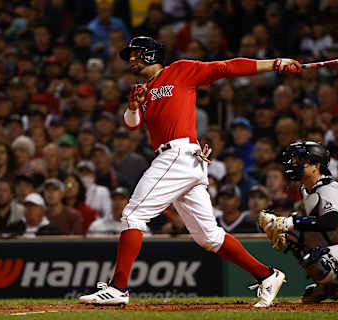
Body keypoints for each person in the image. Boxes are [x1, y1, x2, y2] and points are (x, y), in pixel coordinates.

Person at [79, 35, 302, 307]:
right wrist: (134, 106)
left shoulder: (180, 70)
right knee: (208, 237)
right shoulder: (144, 88)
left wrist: (274, 64)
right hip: (183, 160)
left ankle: (118, 288)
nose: (132, 60)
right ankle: (267, 274)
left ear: (151, 55)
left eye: (136, 54)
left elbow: (226, 67)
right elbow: (132, 124)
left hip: (179, 154)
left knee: (133, 214)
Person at [259, 141, 338, 303]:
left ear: (316, 166)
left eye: (300, 161)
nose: (294, 164)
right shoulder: (306, 188)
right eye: (294, 160)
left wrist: (290, 222)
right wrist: (281, 225)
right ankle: (331, 286)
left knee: (318, 258)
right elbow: (317, 224)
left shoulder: (327, 188)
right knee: (293, 235)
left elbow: (331, 221)